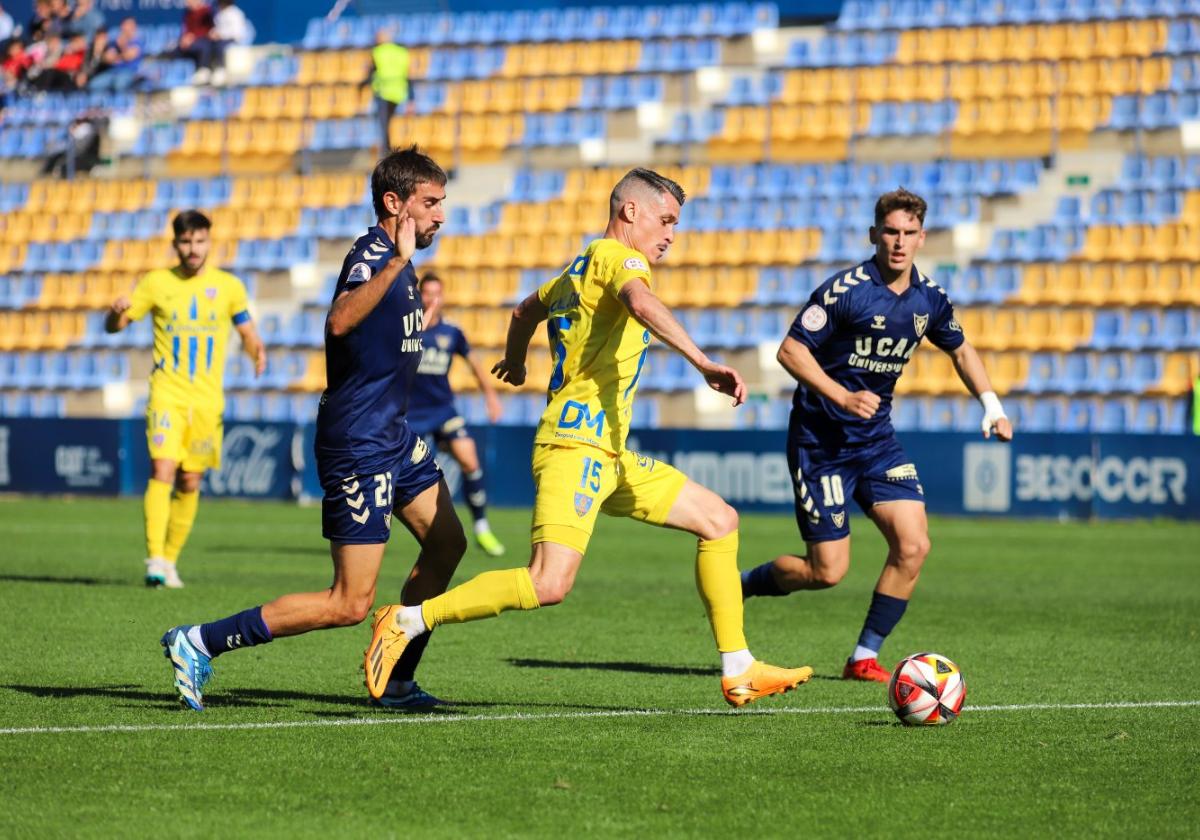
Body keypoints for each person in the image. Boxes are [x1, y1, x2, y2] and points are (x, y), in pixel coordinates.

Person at [363, 168, 813, 708]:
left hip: (611, 455)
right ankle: (408, 618)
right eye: (665, 220)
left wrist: (513, 355)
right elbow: (642, 303)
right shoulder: (618, 258)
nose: (671, 234)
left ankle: (738, 667)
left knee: (719, 521)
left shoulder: (577, 270)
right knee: (548, 583)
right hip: (575, 448)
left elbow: (523, 310)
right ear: (630, 213)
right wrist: (701, 362)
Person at [158, 147, 466, 712]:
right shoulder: (373, 254)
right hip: (358, 442)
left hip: (393, 436)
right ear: (394, 204)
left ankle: (396, 678)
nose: (441, 215)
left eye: (442, 202)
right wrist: (396, 263)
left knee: (448, 542)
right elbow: (340, 320)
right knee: (350, 602)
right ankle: (198, 640)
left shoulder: (401, 257)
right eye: (431, 202)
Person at [740, 188, 1015, 682]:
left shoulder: (929, 299)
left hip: (875, 440)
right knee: (827, 572)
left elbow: (961, 350)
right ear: (874, 235)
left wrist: (991, 406)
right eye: (890, 231)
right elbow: (790, 352)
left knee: (914, 545)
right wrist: (840, 396)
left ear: (922, 238)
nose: (899, 242)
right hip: (820, 443)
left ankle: (863, 656)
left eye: (909, 233)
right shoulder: (844, 291)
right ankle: (742, 584)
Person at [105, 210, 266, 589]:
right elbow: (116, 327)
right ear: (175, 244)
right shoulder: (156, 283)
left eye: (199, 242)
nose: (193, 249)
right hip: (167, 394)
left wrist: (256, 349)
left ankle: (171, 560)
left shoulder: (229, 286)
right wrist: (113, 316)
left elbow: (246, 329)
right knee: (162, 469)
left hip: (207, 401)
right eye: (186, 242)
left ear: (209, 242)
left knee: (190, 479)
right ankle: (155, 559)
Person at [407, 271, 506, 557]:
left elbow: (474, 363)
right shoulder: (410, 330)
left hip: (442, 410)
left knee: (469, 458)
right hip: (411, 414)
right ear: (418, 296)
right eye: (427, 293)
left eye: (437, 293)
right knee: (398, 472)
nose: (433, 299)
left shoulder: (452, 332)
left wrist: (490, 396)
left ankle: (482, 527)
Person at [364, 28, 410, 155]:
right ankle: (389, 151)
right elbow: (408, 76)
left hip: (383, 92)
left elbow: (371, 72)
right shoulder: (402, 52)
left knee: (384, 125)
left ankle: (386, 153)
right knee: (389, 124)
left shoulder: (378, 52)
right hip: (398, 93)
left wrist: (362, 86)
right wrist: (411, 98)